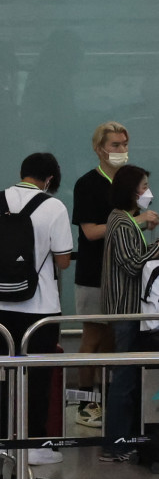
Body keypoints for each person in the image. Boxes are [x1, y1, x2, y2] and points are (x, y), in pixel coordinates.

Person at [0, 152, 73, 458]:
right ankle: (35, 445)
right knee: (39, 377)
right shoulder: (53, 206)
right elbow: (64, 261)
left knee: (2, 372)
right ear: (50, 179)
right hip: (40, 308)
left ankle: (0, 442)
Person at [71, 122, 132, 427]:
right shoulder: (87, 184)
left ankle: (110, 398)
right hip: (94, 273)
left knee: (114, 336)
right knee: (93, 335)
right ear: (99, 149)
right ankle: (85, 401)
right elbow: (91, 232)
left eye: (124, 144)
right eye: (115, 145)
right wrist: (130, 222)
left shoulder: (130, 183)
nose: (121, 150)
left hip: (125, 274)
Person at [101, 164, 159, 455]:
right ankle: (115, 444)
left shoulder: (128, 220)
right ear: (130, 190)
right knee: (123, 380)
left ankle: (130, 440)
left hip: (134, 311)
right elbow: (133, 264)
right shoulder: (121, 222)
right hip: (125, 312)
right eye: (143, 185)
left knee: (133, 378)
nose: (147, 191)